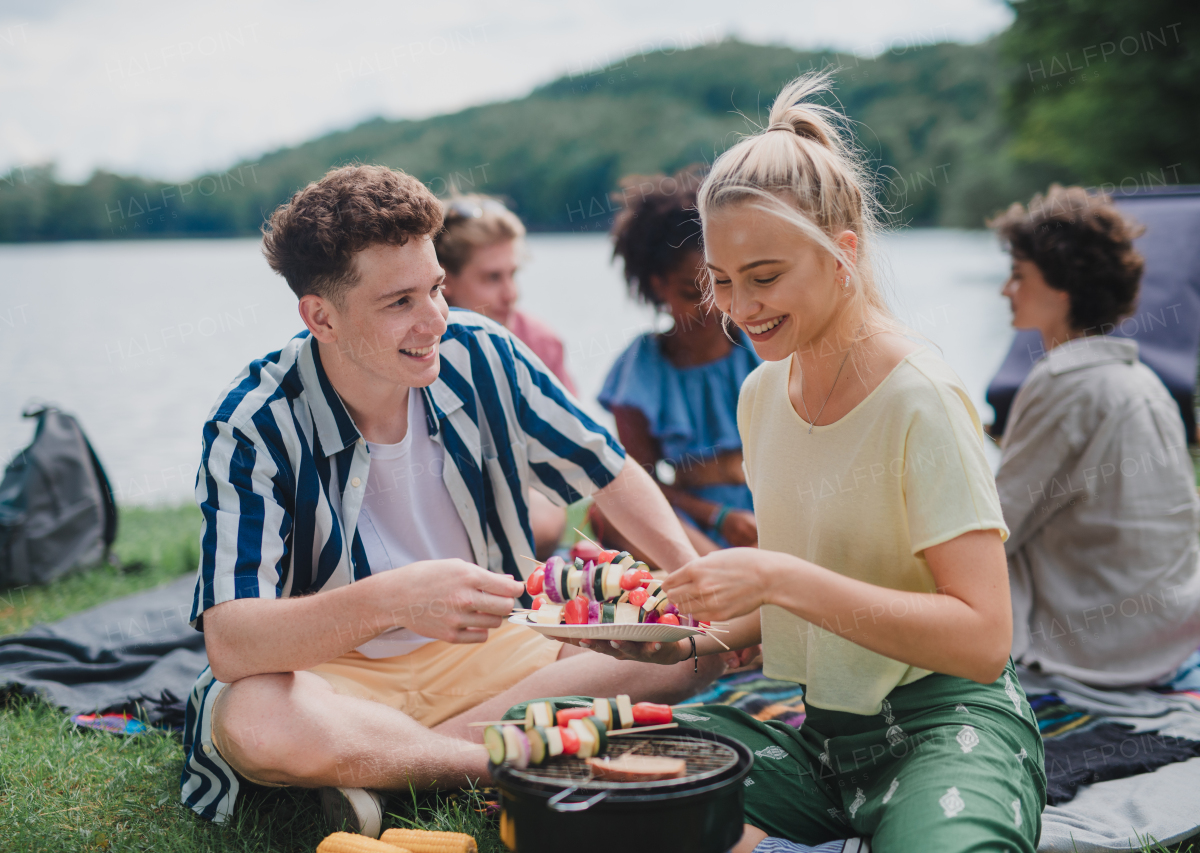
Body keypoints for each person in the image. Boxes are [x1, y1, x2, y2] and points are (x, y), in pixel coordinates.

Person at [572, 73, 1045, 852]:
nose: (741, 307)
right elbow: (800, 596)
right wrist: (666, 628)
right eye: (721, 283)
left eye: (765, 278)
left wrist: (776, 575)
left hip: (949, 724)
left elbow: (983, 636)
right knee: (569, 752)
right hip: (822, 741)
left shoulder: (917, 397)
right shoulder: (762, 395)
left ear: (841, 255)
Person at [179, 165, 720, 833]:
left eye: (436, 286)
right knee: (255, 717)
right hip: (332, 674)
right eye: (399, 301)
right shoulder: (253, 424)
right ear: (321, 315)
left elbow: (608, 469)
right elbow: (231, 642)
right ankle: (495, 756)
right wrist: (396, 600)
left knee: (694, 649)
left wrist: (686, 586)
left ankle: (391, 762)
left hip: (496, 649)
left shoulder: (485, 352)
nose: (436, 318)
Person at [990, 185, 1200, 688]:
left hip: (1102, 650)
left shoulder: (1065, 380)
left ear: (1062, 287)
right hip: (1169, 630)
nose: (1006, 290)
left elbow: (997, 526)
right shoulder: (1140, 376)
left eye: (1019, 276)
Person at [595, 165, 762, 554]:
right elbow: (639, 483)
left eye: (719, 287)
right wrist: (717, 516)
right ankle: (716, 575)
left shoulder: (762, 345)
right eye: (691, 292)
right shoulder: (639, 372)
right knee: (612, 515)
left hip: (776, 509)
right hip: (695, 524)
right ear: (659, 286)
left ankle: (730, 581)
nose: (712, 309)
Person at [434, 193, 575, 558]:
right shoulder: (414, 347)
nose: (511, 294)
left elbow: (573, 457)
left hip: (526, 496)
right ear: (443, 280)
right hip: (434, 495)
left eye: (513, 274)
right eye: (492, 278)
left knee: (540, 518)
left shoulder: (539, 342)